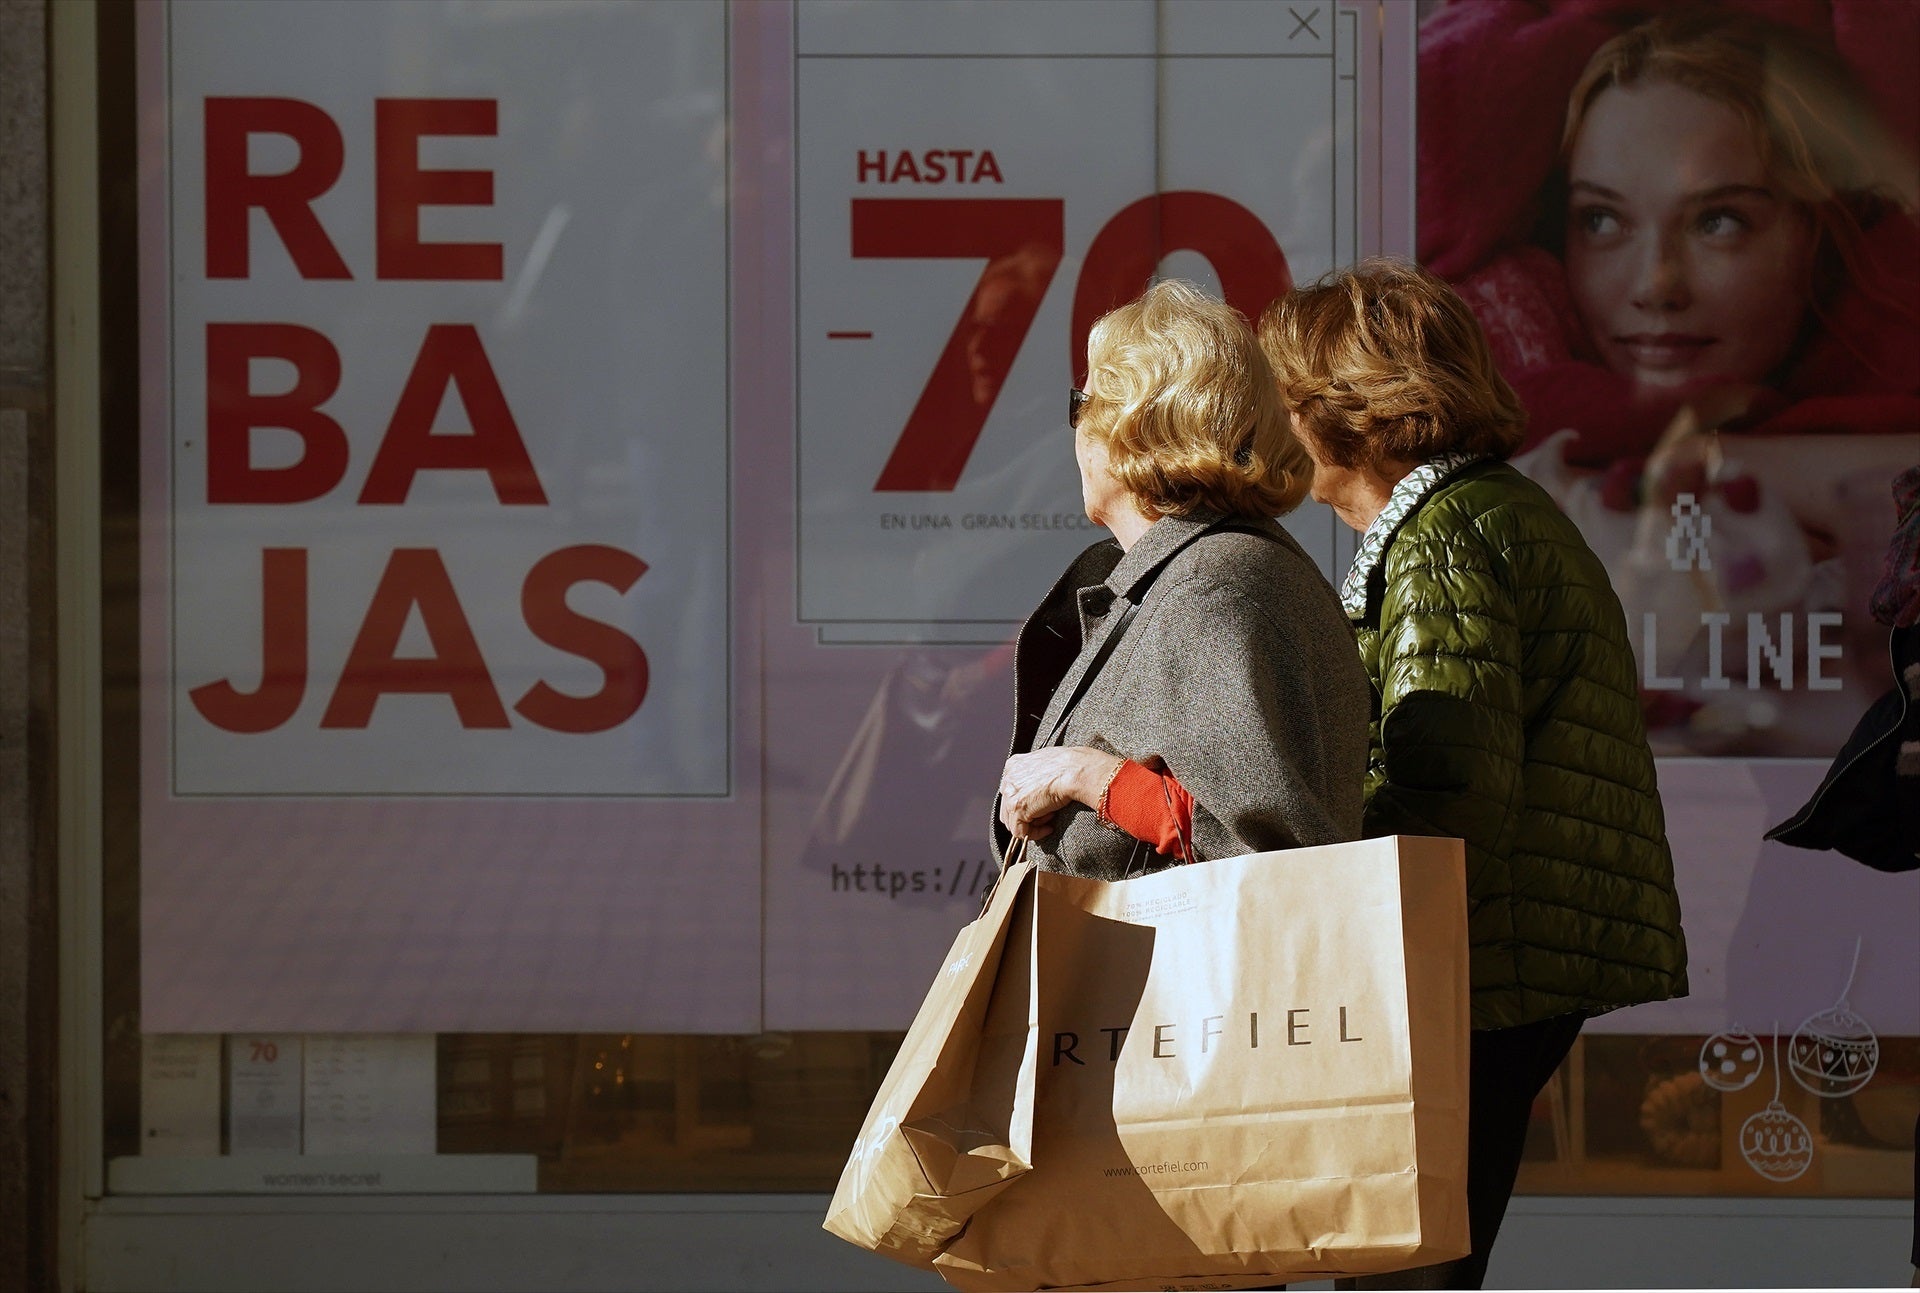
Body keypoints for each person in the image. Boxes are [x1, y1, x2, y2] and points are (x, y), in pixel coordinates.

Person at [1258, 258, 1690, 1290]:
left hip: (1477, 966)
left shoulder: (1444, 536)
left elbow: (1446, 784)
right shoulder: (1481, 515)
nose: (1270, 423)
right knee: (1420, 1254)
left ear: (1339, 410)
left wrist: (1311, 880)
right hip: (1506, 956)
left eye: (1282, 396)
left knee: (1407, 1265)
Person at [992, 279, 1366, 877]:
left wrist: (1090, 777)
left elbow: (1271, 855)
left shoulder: (1212, 590)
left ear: (1130, 429)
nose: (1075, 435)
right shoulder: (1205, 574)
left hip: (1188, 968)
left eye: (1080, 407)